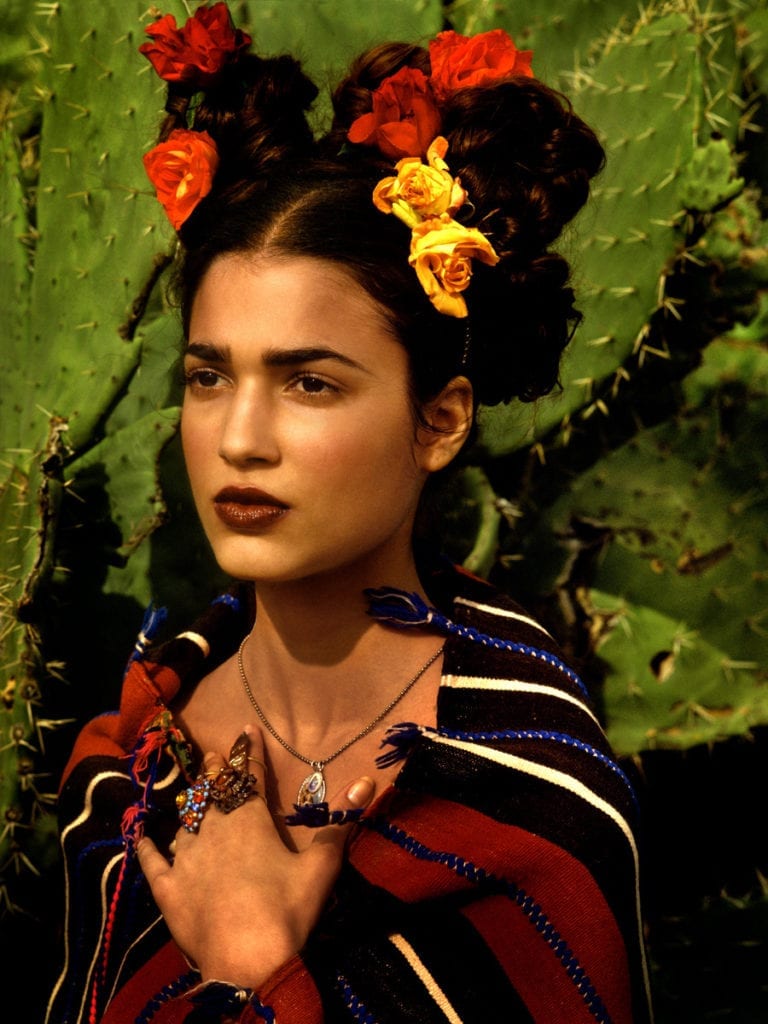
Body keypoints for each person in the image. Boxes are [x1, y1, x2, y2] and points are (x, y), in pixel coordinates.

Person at [45, 3, 653, 1022]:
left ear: (439, 421)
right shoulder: (138, 746)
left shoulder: (535, 796)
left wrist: (252, 970)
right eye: (207, 376)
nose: (240, 437)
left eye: (310, 384)